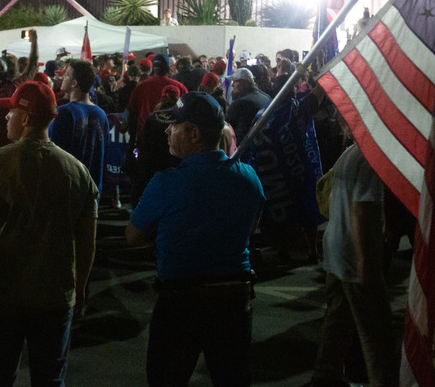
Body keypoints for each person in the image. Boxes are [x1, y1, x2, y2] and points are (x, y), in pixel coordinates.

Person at [0, 81, 98, 387]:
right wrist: (80, 288)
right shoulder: (78, 172)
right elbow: (87, 239)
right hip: (55, 295)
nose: (5, 118)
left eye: (11, 111)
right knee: (50, 378)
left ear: (25, 118)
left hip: (4, 292)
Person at [126, 92, 266, 387]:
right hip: (233, 302)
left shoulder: (167, 182)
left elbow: (133, 235)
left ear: (193, 133)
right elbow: (252, 227)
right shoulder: (249, 178)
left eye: (174, 125)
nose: (167, 130)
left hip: (180, 305)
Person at [307, 116, 398, 387]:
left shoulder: (349, 154)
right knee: (376, 332)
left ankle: (325, 375)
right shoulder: (370, 159)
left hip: (335, 248)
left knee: (338, 319)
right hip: (354, 253)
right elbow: (363, 209)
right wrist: (367, 262)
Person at [49, 59, 109, 198]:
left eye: (68, 74)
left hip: (69, 189)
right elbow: (105, 153)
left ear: (75, 83)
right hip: (93, 190)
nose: (63, 77)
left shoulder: (65, 112)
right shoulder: (101, 114)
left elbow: (55, 153)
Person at [225, 67, 272, 147]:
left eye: (235, 81)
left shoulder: (239, 103)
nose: (232, 85)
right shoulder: (266, 97)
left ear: (243, 83)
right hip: (261, 147)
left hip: (241, 149)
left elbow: (226, 130)